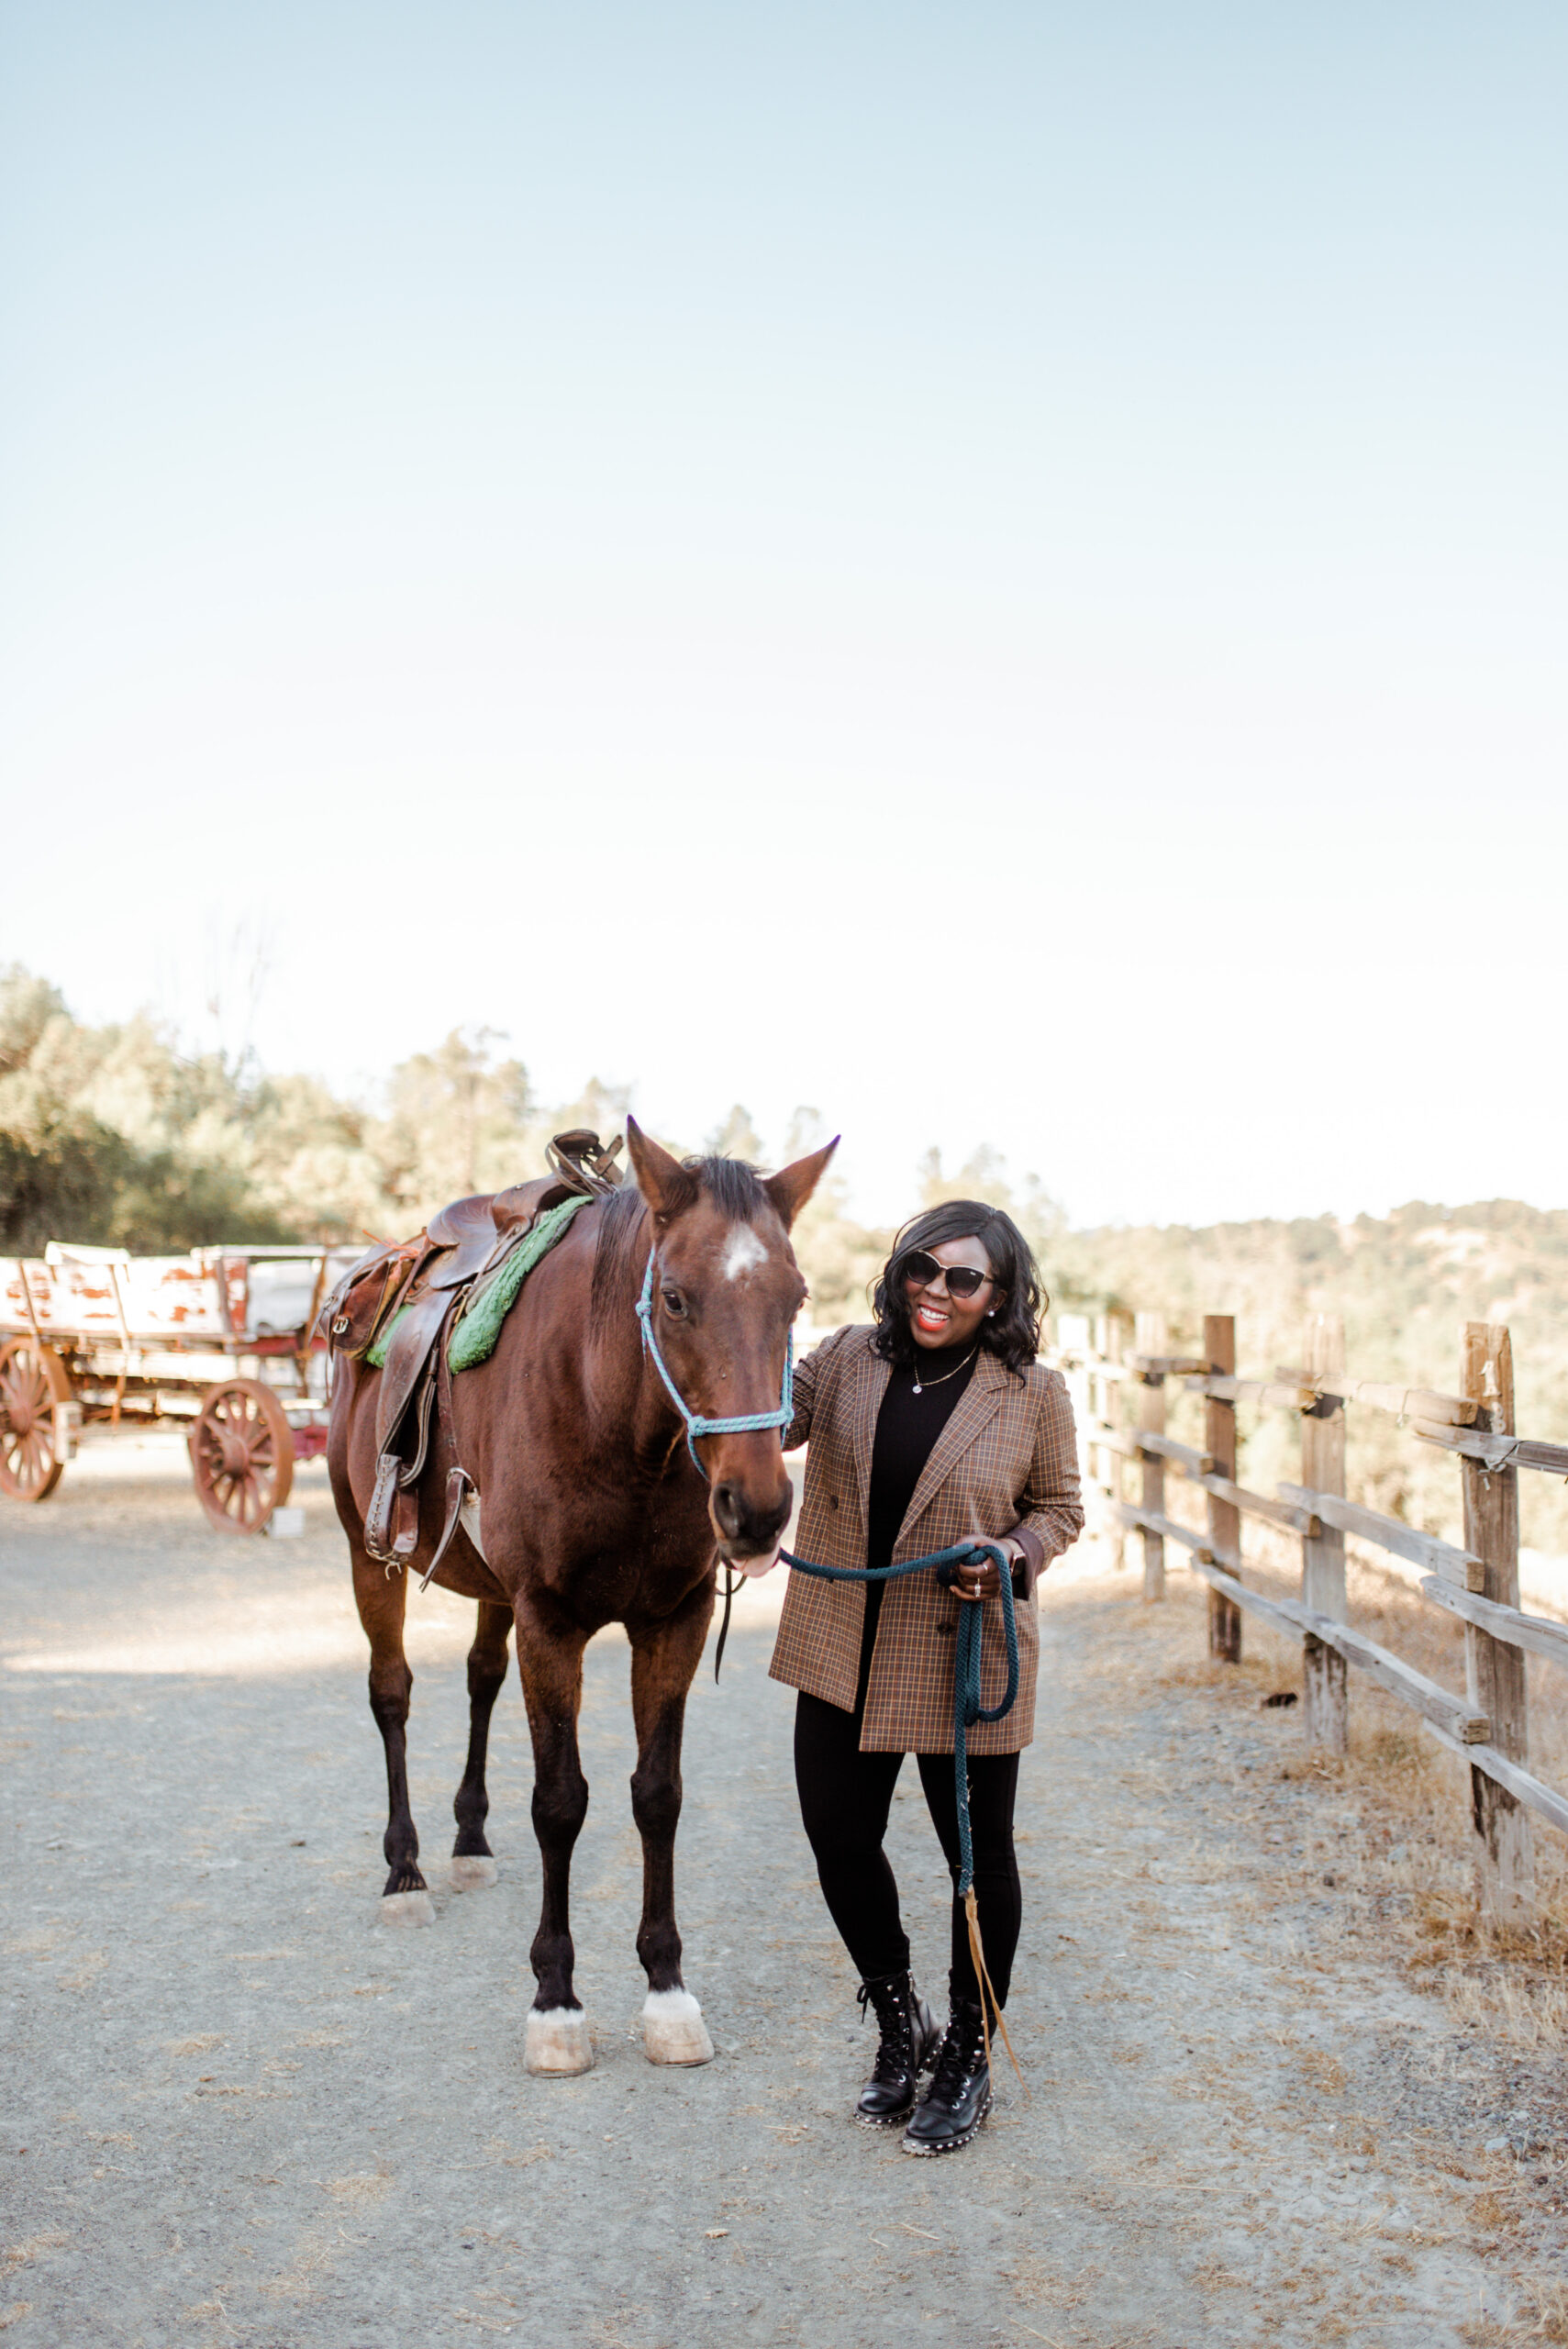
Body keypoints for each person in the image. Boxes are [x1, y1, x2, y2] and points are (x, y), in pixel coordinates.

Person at [768, 1199, 1083, 2155]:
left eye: (962, 1278)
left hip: (960, 1649)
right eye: (920, 1267)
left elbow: (1061, 1509)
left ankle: (968, 2058)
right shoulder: (843, 1360)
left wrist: (1010, 1552)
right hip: (839, 1643)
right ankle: (904, 2024)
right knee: (838, 1842)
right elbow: (756, 1413)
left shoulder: (1031, 1391)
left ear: (998, 1295)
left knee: (976, 1866)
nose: (934, 1292)